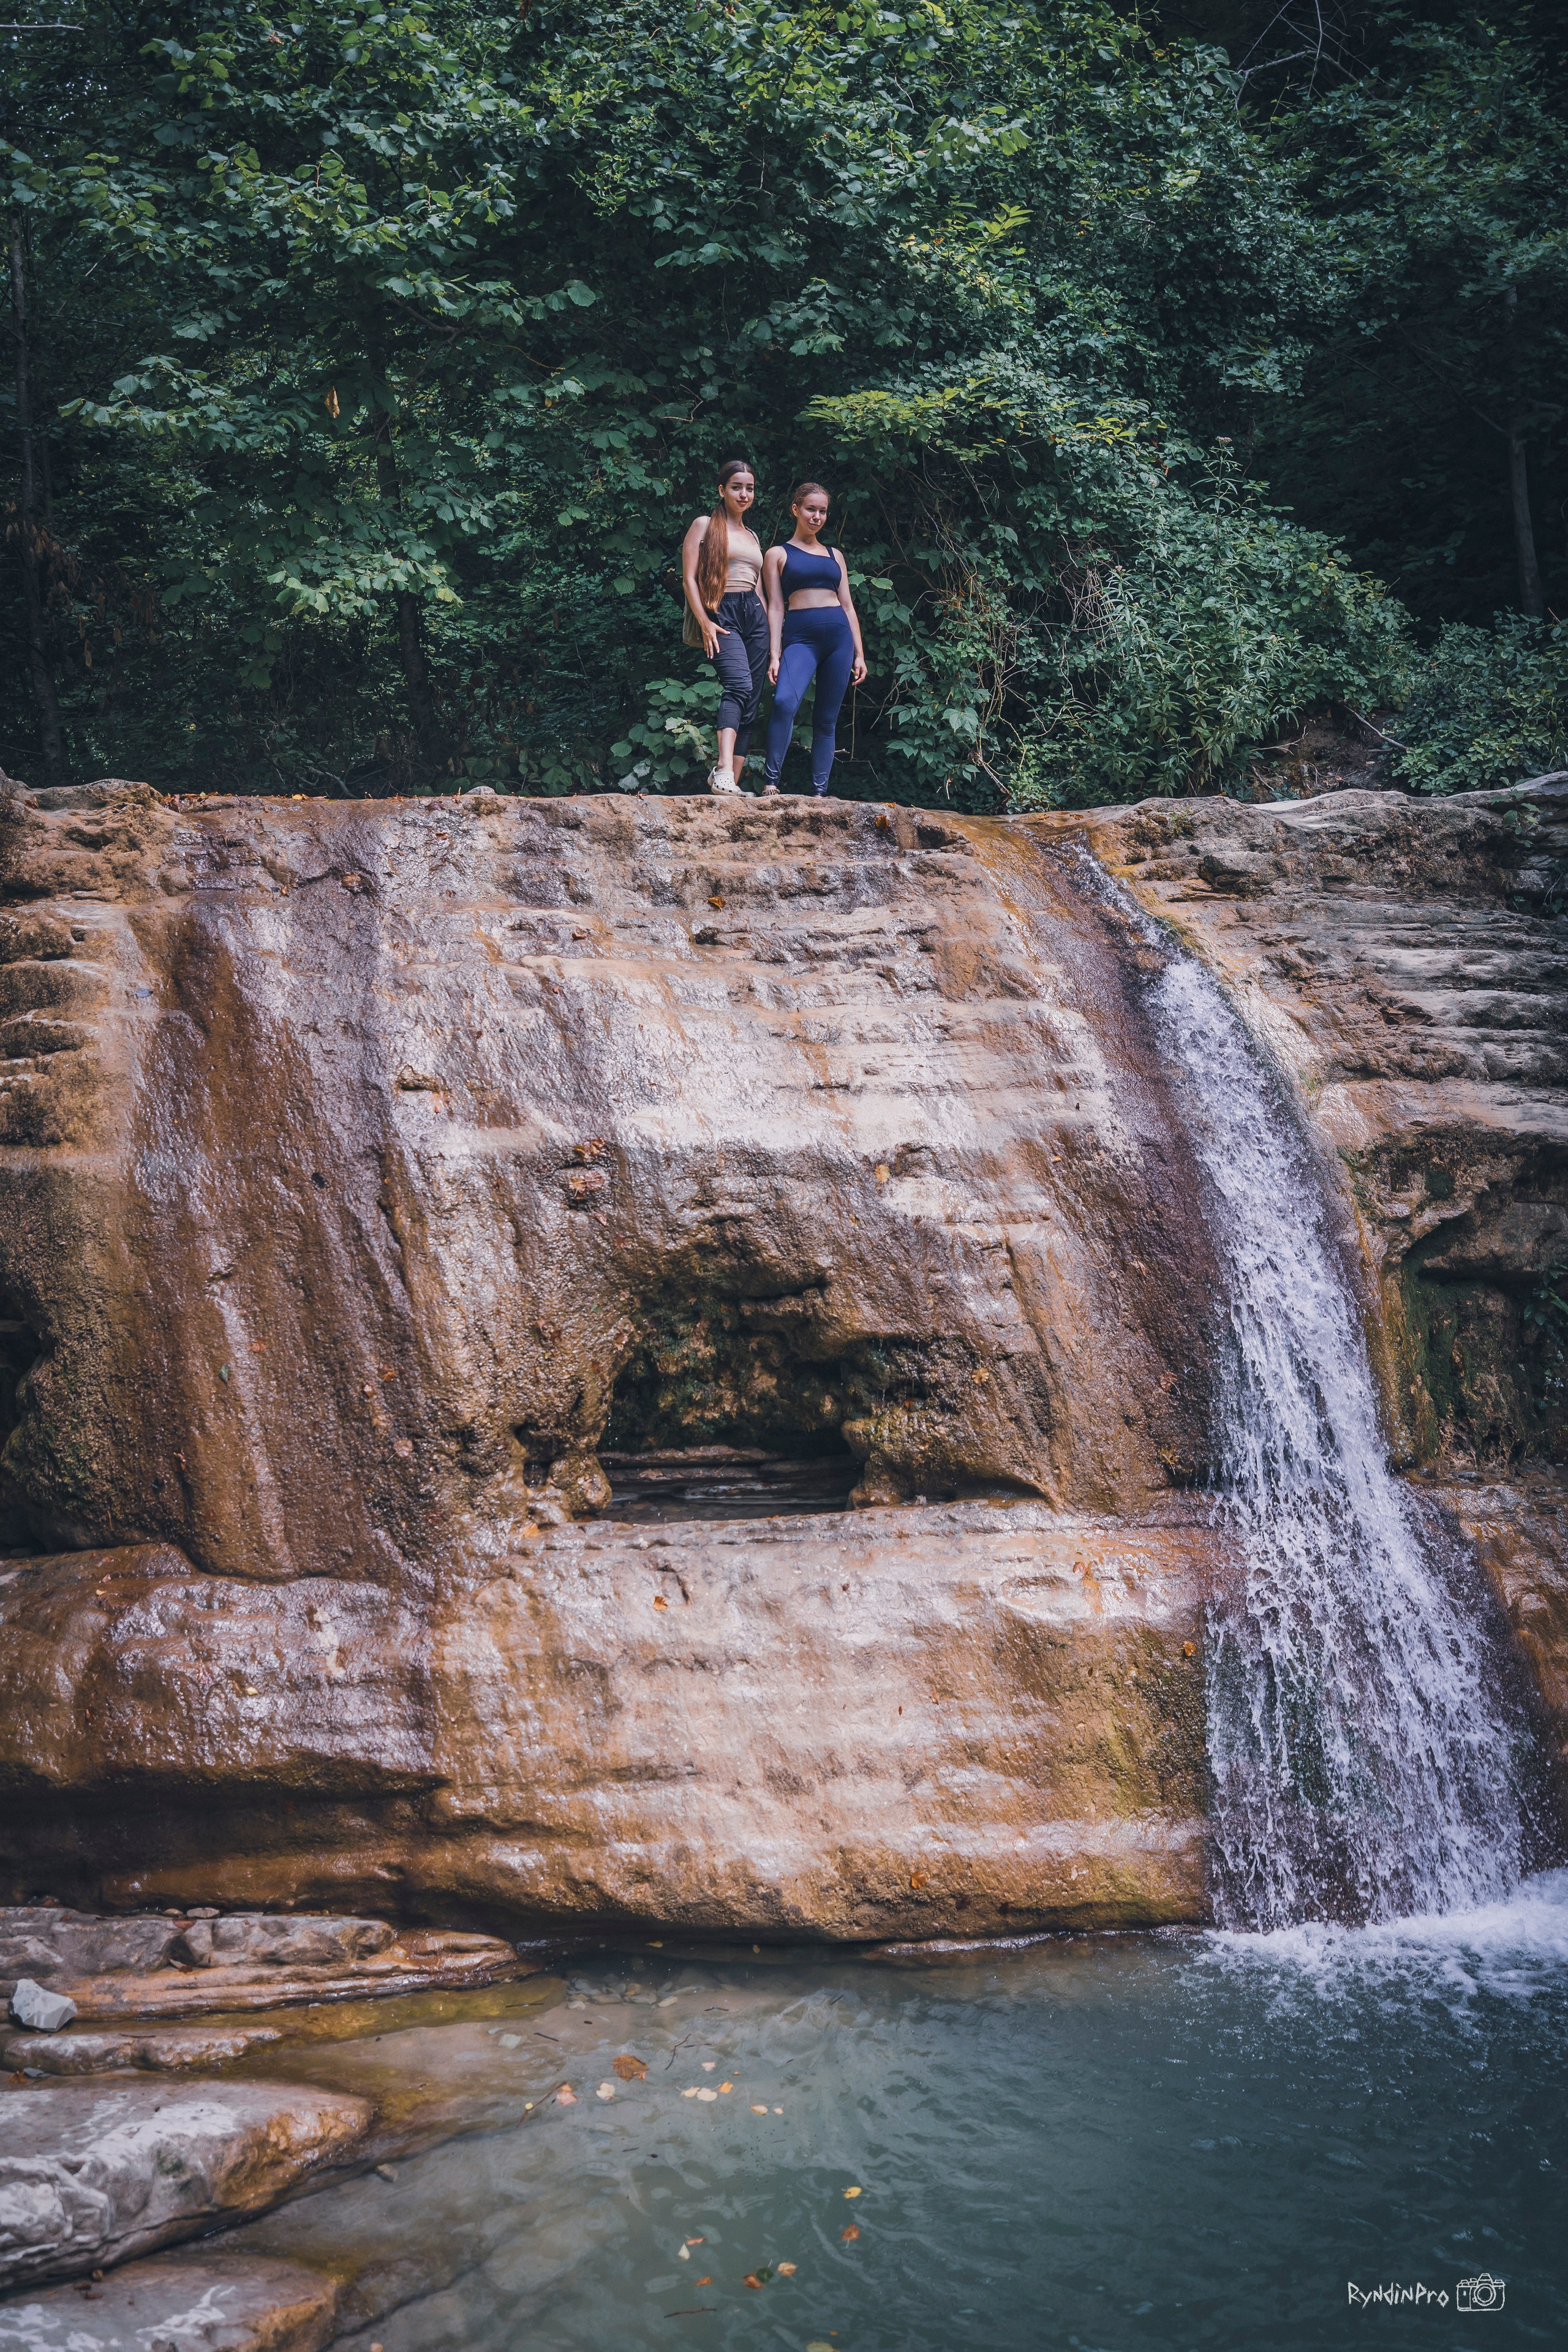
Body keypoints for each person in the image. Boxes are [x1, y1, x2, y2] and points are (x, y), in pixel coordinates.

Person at [761, 481, 867, 797]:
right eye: (811, 509)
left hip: (839, 639)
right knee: (783, 703)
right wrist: (775, 654)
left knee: (827, 719)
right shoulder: (778, 554)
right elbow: (776, 606)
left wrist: (860, 654)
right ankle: (771, 783)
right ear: (796, 509)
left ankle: (820, 793)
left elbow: (848, 605)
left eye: (822, 511)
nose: (817, 517)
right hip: (800, 638)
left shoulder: (835, 554)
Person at [680, 458, 769, 796]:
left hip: (753, 613)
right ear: (722, 490)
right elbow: (689, 578)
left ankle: (732, 781)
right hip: (721, 610)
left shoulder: (751, 534)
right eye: (736, 487)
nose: (744, 494)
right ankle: (722, 770)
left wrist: (769, 633)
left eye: (749, 488)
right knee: (738, 685)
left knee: (753, 696)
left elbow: (757, 585)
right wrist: (704, 621)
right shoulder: (704, 525)